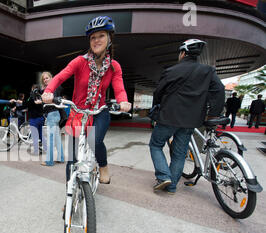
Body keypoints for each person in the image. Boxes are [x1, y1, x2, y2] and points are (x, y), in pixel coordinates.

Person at [42, 16, 131, 184]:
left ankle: (103, 166)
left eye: (101, 36)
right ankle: (70, 197)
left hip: (99, 111)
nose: (96, 40)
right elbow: (60, 77)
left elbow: (119, 88)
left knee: (95, 141)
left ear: (109, 38)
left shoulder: (114, 66)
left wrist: (123, 102)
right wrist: (48, 91)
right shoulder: (79, 61)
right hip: (77, 111)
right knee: (72, 158)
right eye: (93, 37)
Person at [148, 39, 225, 194]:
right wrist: (213, 114)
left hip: (168, 117)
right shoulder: (208, 71)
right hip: (191, 120)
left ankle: (163, 176)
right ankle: (171, 186)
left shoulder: (171, 71)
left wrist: (155, 110)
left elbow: (158, 93)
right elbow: (219, 90)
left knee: (156, 145)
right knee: (180, 153)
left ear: (182, 53)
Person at [40, 71, 64, 166]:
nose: (45, 80)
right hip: (56, 114)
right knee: (57, 138)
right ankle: (61, 158)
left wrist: (45, 101)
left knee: (50, 139)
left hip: (52, 115)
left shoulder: (52, 88)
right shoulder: (55, 87)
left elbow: (54, 100)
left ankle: (49, 161)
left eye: (47, 78)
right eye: (44, 79)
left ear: (51, 77)